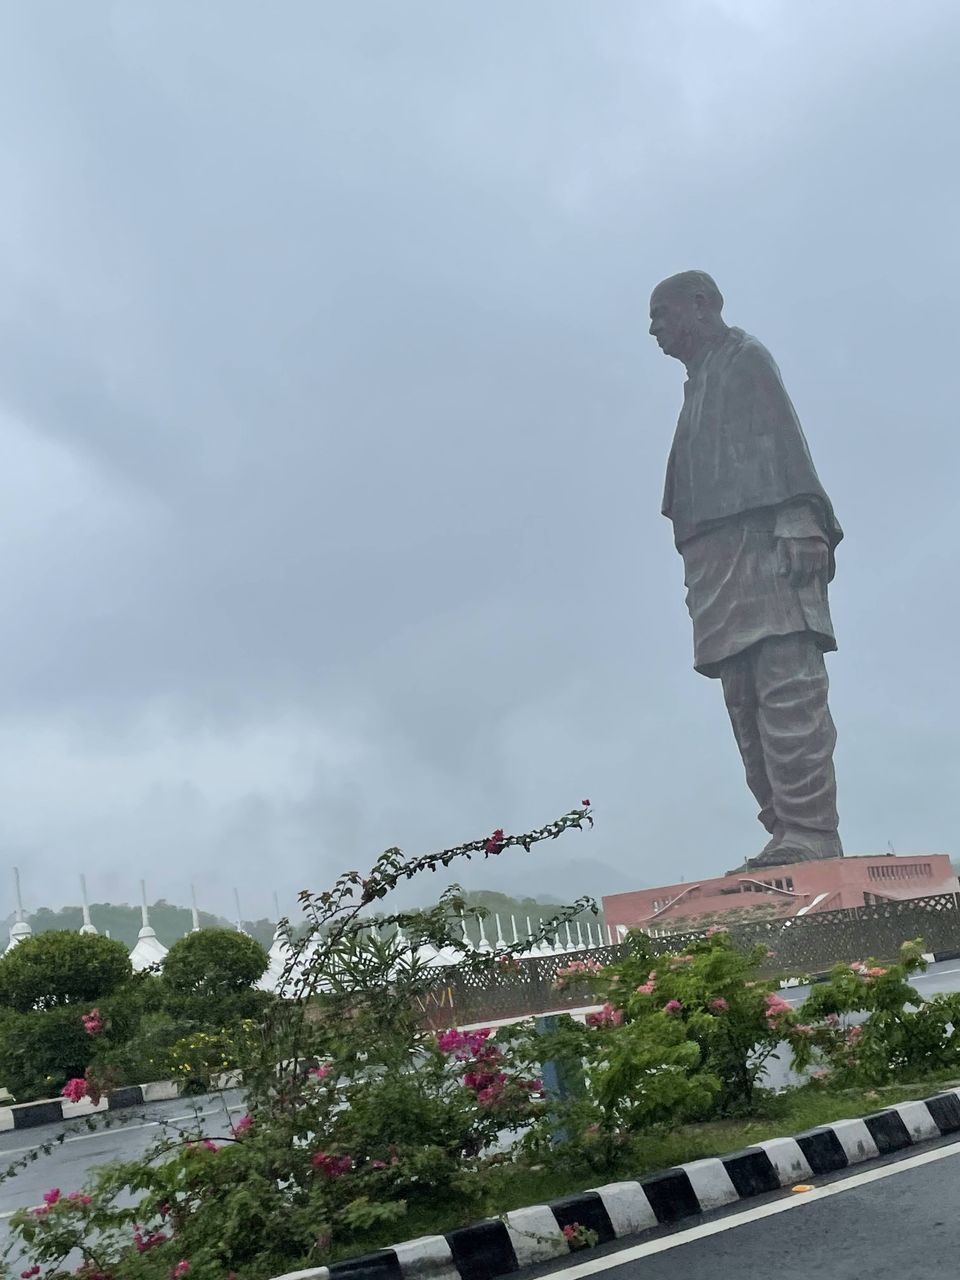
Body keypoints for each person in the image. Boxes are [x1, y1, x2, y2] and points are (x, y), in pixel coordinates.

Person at [650, 270, 843, 866]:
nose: (654, 329)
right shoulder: (698, 383)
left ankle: (811, 830)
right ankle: (785, 827)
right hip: (714, 558)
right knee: (743, 699)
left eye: (662, 313)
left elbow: (783, 443)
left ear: (700, 306)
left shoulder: (744, 359)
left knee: (786, 683)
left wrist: (797, 517)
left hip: (762, 544)